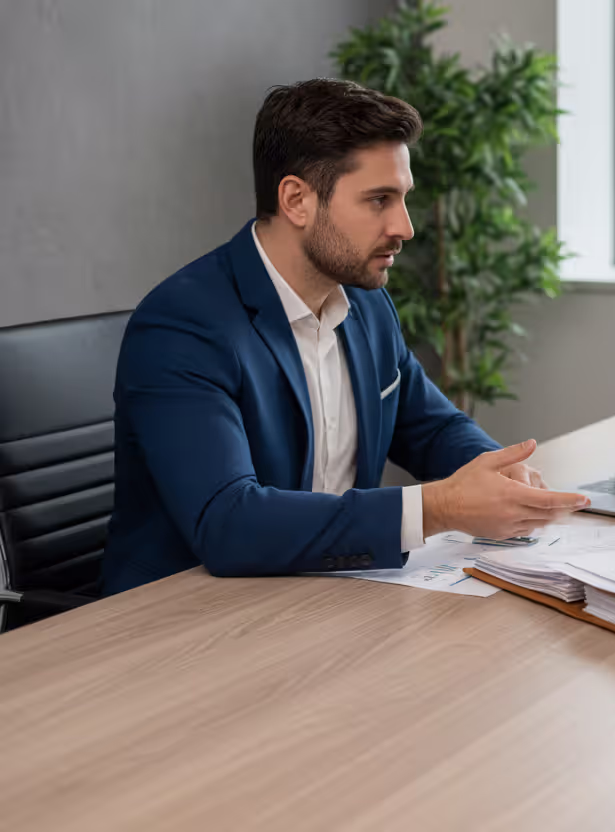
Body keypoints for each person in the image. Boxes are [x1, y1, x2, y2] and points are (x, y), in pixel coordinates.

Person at [102, 79, 588, 594]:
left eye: (403, 199)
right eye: (379, 199)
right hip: (182, 618)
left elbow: (430, 426)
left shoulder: (366, 302)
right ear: (296, 200)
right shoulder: (184, 324)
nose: (405, 226)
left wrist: (500, 474)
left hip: (325, 592)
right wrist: (439, 507)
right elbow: (229, 524)